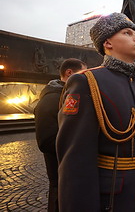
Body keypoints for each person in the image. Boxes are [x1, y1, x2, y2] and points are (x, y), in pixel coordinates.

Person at [56, 13, 135, 211]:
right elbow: (75, 158)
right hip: (111, 198)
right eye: (127, 33)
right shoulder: (86, 82)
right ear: (108, 43)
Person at [34, 58, 87, 212]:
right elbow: (46, 141)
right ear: (69, 73)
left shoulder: (67, 95)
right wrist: (77, 146)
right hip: (60, 171)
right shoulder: (51, 99)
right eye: (83, 73)